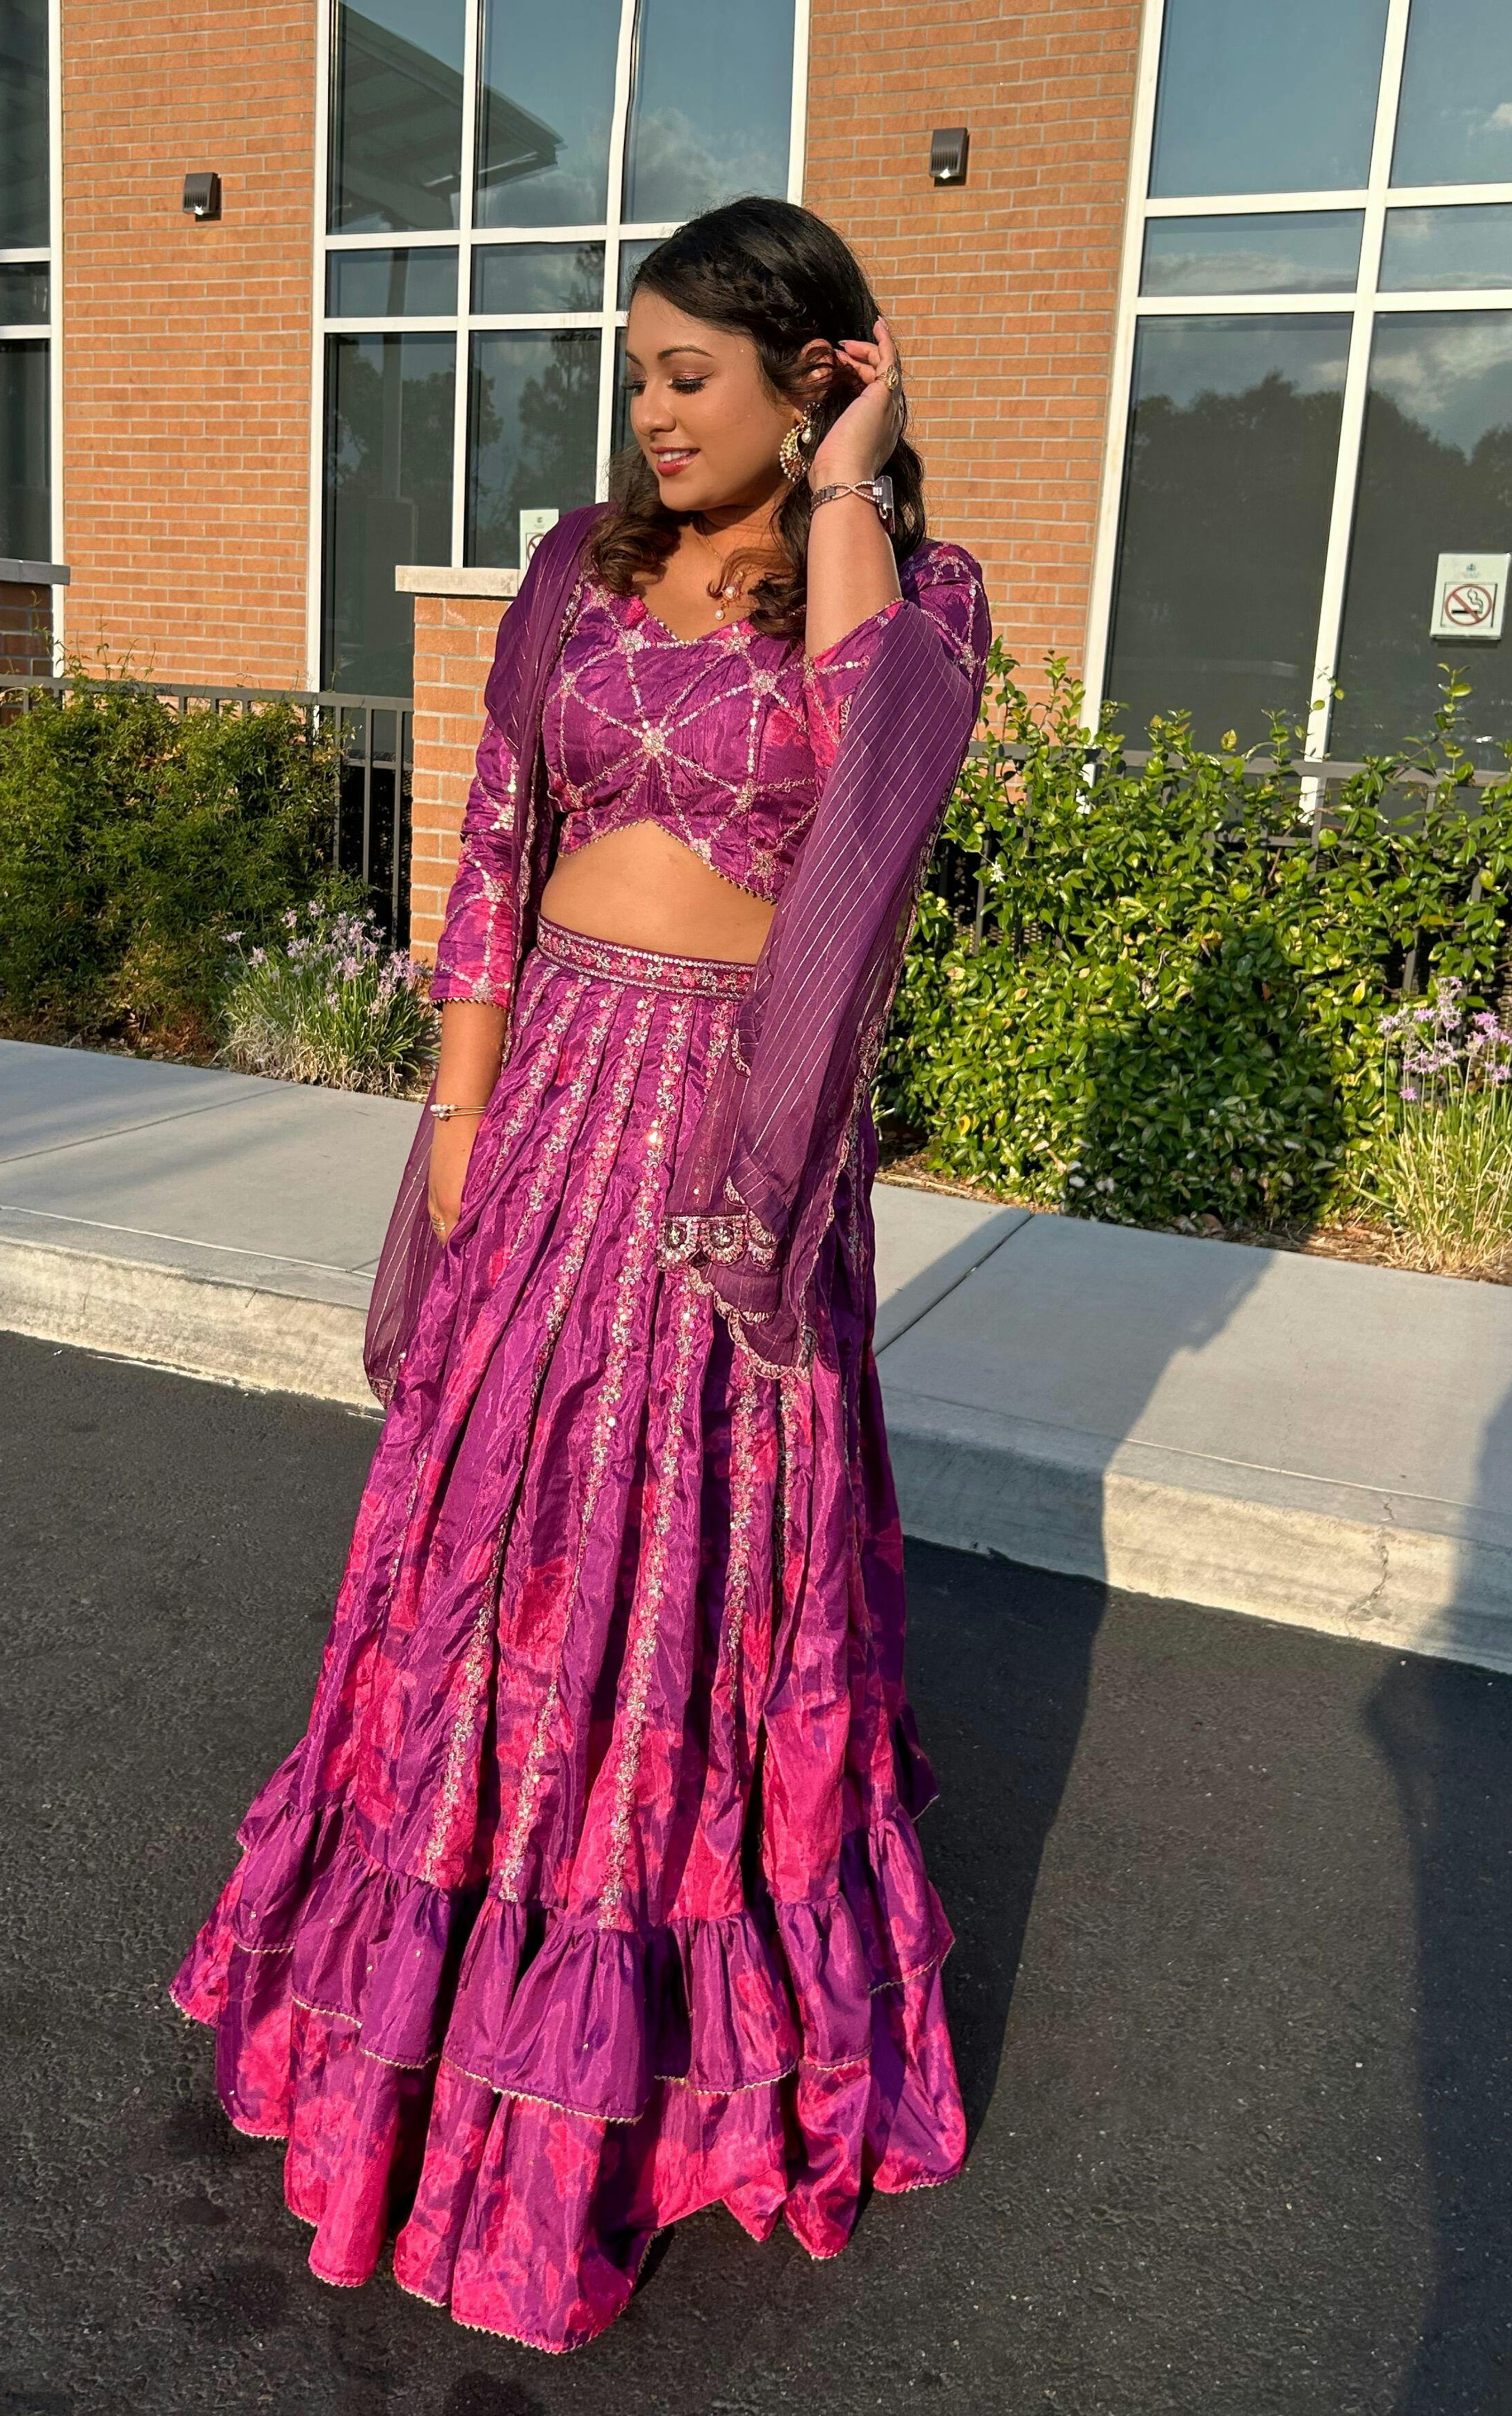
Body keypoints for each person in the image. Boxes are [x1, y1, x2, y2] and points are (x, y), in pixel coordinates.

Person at [172, 196, 991, 2356]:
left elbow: (873, 796)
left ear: (817, 378)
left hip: (732, 1143)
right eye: (637, 375)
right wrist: (454, 1107)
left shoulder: (913, 599)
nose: (650, 414)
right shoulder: (578, 566)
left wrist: (847, 492)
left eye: (691, 375)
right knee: (493, 1553)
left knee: (687, 1571)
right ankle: (423, 2018)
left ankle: (635, 2051)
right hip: (545, 1106)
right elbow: (489, 839)